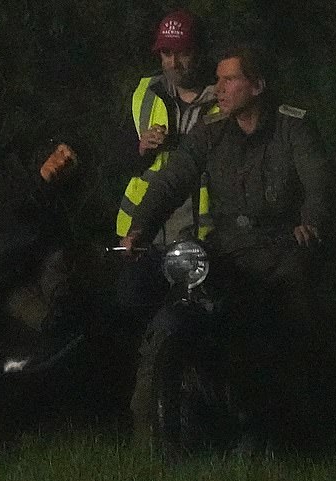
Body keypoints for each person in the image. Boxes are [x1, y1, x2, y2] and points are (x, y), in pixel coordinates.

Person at [122, 44, 336, 446]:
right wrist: (140, 229)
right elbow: (171, 181)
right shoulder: (212, 131)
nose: (219, 88)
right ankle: (165, 420)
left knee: (296, 314)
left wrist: (311, 223)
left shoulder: (292, 127)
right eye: (218, 79)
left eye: (230, 79)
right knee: (184, 307)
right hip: (228, 251)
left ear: (257, 86)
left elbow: (319, 183)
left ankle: (300, 417)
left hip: (282, 249)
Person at [115, 9, 217, 315]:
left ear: (200, 53)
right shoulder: (145, 94)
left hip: (201, 238)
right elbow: (115, 161)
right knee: (130, 311)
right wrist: (140, 148)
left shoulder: (224, 99)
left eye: (183, 53)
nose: (173, 63)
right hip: (144, 235)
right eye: (166, 53)